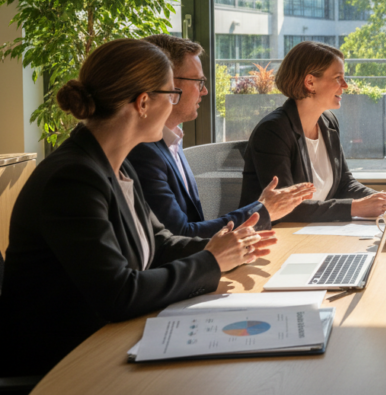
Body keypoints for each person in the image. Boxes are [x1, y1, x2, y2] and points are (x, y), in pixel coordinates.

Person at [0, 39, 274, 376]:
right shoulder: (72, 178)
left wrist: (226, 248)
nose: (176, 104)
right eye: (171, 94)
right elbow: (118, 293)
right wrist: (209, 262)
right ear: (143, 103)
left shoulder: (117, 165)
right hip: (64, 361)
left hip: (108, 340)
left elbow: (160, 244)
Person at [127, 35, 315, 236]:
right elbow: (180, 235)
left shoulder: (171, 140)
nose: (205, 91)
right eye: (198, 81)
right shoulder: (143, 151)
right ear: (169, 85)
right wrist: (262, 209)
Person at [238, 40, 386, 220]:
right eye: (338, 78)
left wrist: (383, 199)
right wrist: (355, 208)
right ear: (310, 82)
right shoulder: (272, 131)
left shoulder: (328, 122)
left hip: (314, 232)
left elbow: (344, 184)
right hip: (274, 237)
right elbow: (284, 207)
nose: (345, 85)